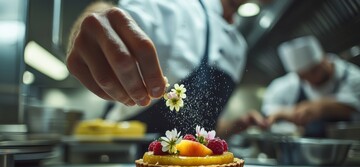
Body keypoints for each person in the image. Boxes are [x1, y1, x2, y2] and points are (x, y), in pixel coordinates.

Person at [66, 0, 265, 134]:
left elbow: (203, 125)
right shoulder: (176, 6)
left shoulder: (239, 46)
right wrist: (94, 24)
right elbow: (110, 18)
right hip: (130, 160)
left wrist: (235, 126)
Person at [262, 35, 360, 137]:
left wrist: (321, 108)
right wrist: (283, 113)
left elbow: (355, 106)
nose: (309, 79)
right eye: (303, 76)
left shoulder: (354, 78)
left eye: (313, 71)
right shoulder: (291, 83)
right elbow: (270, 106)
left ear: (324, 60)